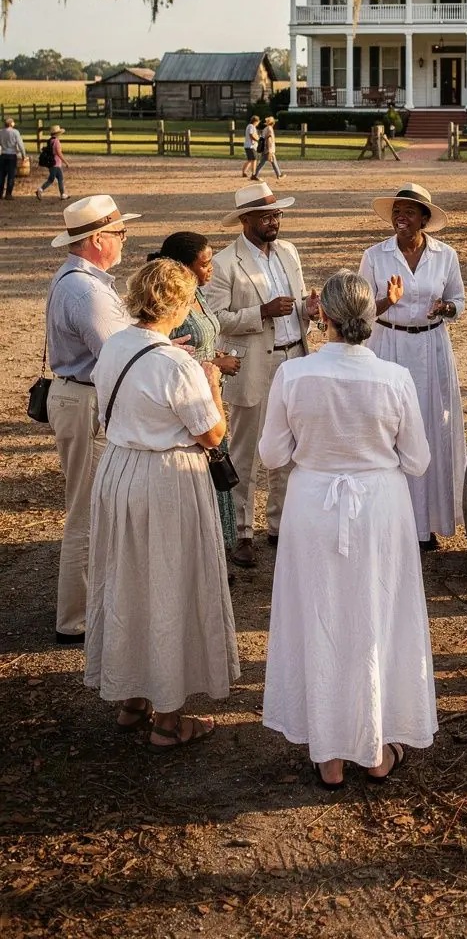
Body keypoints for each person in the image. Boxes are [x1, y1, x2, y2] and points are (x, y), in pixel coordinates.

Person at [259, 270, 437, 788]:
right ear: (372, 321)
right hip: (379, 506)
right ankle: (377, 748)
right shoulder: (394, 379)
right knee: (377, 615)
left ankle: (329, 753)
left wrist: (318, 450)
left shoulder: (294, 376)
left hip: (314, 504)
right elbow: (418, 460)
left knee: (321, 615)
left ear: (325, 319)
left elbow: (272, 453)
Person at [86, 258, 239, 748]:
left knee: (128, 581)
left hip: (119, 469)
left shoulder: (117, 344)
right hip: (167, 478)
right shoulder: (178, 365)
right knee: (171, 586)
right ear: (178, 303)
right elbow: (212, 433)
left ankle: (132, 700)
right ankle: (170, 721)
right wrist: (211, 382)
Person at [203, 183, 320, 568]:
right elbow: (216, 319)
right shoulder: (224, 263)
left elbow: (297, 304)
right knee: (247, 453)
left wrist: (310, 307)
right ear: (245, 220)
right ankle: (240, 533)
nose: (274, 221)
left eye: (278, 214)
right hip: (253, 366)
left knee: (289, 448)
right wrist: (262, 312)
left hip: (295, 360)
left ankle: (280, 526)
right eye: (267, 216)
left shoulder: (288, 252)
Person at [46, 195, 139, 642]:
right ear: (98, 239)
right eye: (120, 232)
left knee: (88, 506)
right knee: (85, 510)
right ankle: (74, 620)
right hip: (83, 398)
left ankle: (83, 611)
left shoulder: (82, 280)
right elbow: (119, 354)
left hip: (78, 395)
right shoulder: (85, 289)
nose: (125, 239)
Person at [359, 182, 466, 551]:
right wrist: (387, 302)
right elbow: (360, 312)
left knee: (433, 424)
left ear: (425, 218)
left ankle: (426, 524)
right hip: (388, 343)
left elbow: (458, 299)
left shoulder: (445, 255)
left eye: (408, 212)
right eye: (396, 212)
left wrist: (446, 309)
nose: (400, 218)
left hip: (432, 345)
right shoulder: (375, 255)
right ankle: (389, 522)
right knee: (390, 427)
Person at [149, 232, 243, 563]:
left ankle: (216, 556)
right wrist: (216, 363)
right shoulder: (170, 304)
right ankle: (201, 560)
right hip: (189, 407)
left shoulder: (197, 294)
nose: (211, 269)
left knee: (217, 475)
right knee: (199, 483)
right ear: (184, 267)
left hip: (211, 397)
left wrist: (213, 353)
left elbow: (199, 337)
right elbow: (169, 357)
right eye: (205, 263)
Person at [36, 126, 69, 200]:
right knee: (52, 179)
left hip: (51, 162)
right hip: (56, 163)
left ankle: (62, 194)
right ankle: (40, 189)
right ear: (57, 133)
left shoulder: (50, 140)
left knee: (59, 178)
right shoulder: (56, 141)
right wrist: (65, 162)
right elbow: (59, 153)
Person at [0, 116, 26, 199]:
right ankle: (8, 194)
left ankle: (0, 193)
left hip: (3, 155)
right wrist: (23, 155)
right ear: (11, 124)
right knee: (11, 176)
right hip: (11, 155)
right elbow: (20, 144)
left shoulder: (1, 132)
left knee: (1, 176)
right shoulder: (15, 132)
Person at [254, 116, 285, 182]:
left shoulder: (265, 128)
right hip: (268, 149)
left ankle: (255, 175)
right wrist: (270, 150)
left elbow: (262, 138)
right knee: (267, 162)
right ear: (273, 123)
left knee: (267, 163)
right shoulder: (270, 129)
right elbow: (269, 139)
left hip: (265, 148)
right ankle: (279, 175)